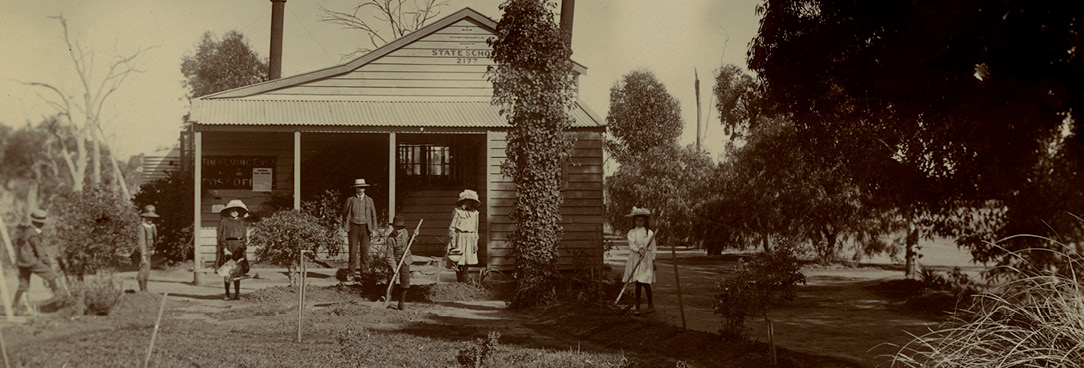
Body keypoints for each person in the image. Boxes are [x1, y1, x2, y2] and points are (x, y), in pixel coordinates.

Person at [13, 210, 59, 315]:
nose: (43, 224)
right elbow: (40, 252)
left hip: (22, 262)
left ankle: (13, 308)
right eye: (41, 222)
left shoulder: (25, 231)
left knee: (23, 286)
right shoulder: (33, 234)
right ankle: (59, 302)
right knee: (52, 276)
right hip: (31, 262)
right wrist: (48, 264)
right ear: (39, 223)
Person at [622, 207, 657, 315]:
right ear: (634, 221)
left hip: (646, 259)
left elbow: (653, 247)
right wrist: (638, 250)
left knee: (645, 282)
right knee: (638, 283)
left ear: (645, 221)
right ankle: (637, 307)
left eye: (641, 220)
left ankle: (650, 305)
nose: (639, 222)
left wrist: (653, 260)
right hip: (636, 257)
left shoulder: (649, 233)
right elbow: (632, 244)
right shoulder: (631, 232)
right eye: (637, 220)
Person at [342, 178, 377, 275]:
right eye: (358, 188)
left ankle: (364, 273)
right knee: (352, 251)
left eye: (362, 187)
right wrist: (348, 222)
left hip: (366, 228)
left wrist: (374, 229)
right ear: (355, 188)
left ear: (364, 189)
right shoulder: (350, 200)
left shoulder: (369, 200)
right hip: (353, 228)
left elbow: (373, 214)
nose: (360, 189)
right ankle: (351, 273)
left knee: (365, 251)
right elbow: (344, 213)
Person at [217, 200, 249, 301]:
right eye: (232, 210)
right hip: (229, 245)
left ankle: (237, 294)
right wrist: (225, 249)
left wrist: (244, 247)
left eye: (236, 210)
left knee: (237, 271)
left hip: (239, 247)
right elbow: (221, 236)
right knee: (228, 270)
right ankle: (227, 294)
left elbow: (245, 236)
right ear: (229, 211)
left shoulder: (242, 222)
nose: (234, 212)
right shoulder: (224, 222)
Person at [448, 189, 480, 282]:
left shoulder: (475, 213)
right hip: (460, 237)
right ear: (463, 201)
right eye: (467, 201)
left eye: (471, 201)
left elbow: (476, 229)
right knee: (459, 259)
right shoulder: (457, 212)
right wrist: (453, 240)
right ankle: (459, 280)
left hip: (470, 237)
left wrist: (475, 243)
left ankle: (465, 280)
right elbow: (452, 227)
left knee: (467, 260)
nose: (469, 203)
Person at [385, 215, 412, 310]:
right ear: (393, 227)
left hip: (405, 259)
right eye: (396, 228)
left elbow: (409, 242)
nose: (398, 230)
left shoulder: (405, 233)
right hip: (395, 260)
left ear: (403, 228)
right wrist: (393, 267)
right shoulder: (390, 239)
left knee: (405, 281)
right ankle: (387, 300)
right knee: (391, 279)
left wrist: (414, 236)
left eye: (400, 228)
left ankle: (401, 303)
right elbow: (389, 255)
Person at [134, 205, 159, 292]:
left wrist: (153, 249)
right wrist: (143, 255)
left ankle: (145, 289)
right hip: (143, 251)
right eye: (148, 218)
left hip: (149, 250)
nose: (150, 220)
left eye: (151, 218)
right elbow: (141, 242)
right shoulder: (141, 227)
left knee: (147, 271)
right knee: (143, 270)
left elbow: (154, 239)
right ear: (144, 217)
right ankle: (142, 289)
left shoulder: (152, 227)